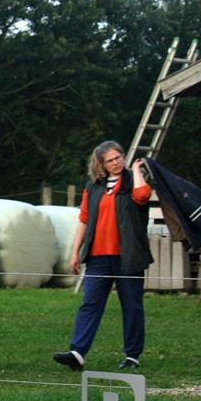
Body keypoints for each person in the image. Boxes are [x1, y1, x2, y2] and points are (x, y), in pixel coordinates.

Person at [53, 140, 153, 371]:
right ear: (101, 164)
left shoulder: (133, 182)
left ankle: (132, 355)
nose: (116, 163)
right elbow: (84, 220)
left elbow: (143, 196)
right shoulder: (93, 187)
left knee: (132, 306)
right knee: (90, 304)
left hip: (128, 257)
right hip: (98, 257)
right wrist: (76, 252)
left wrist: (136, 170)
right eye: (110, 160)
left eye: (118, 157)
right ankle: (77, 353)